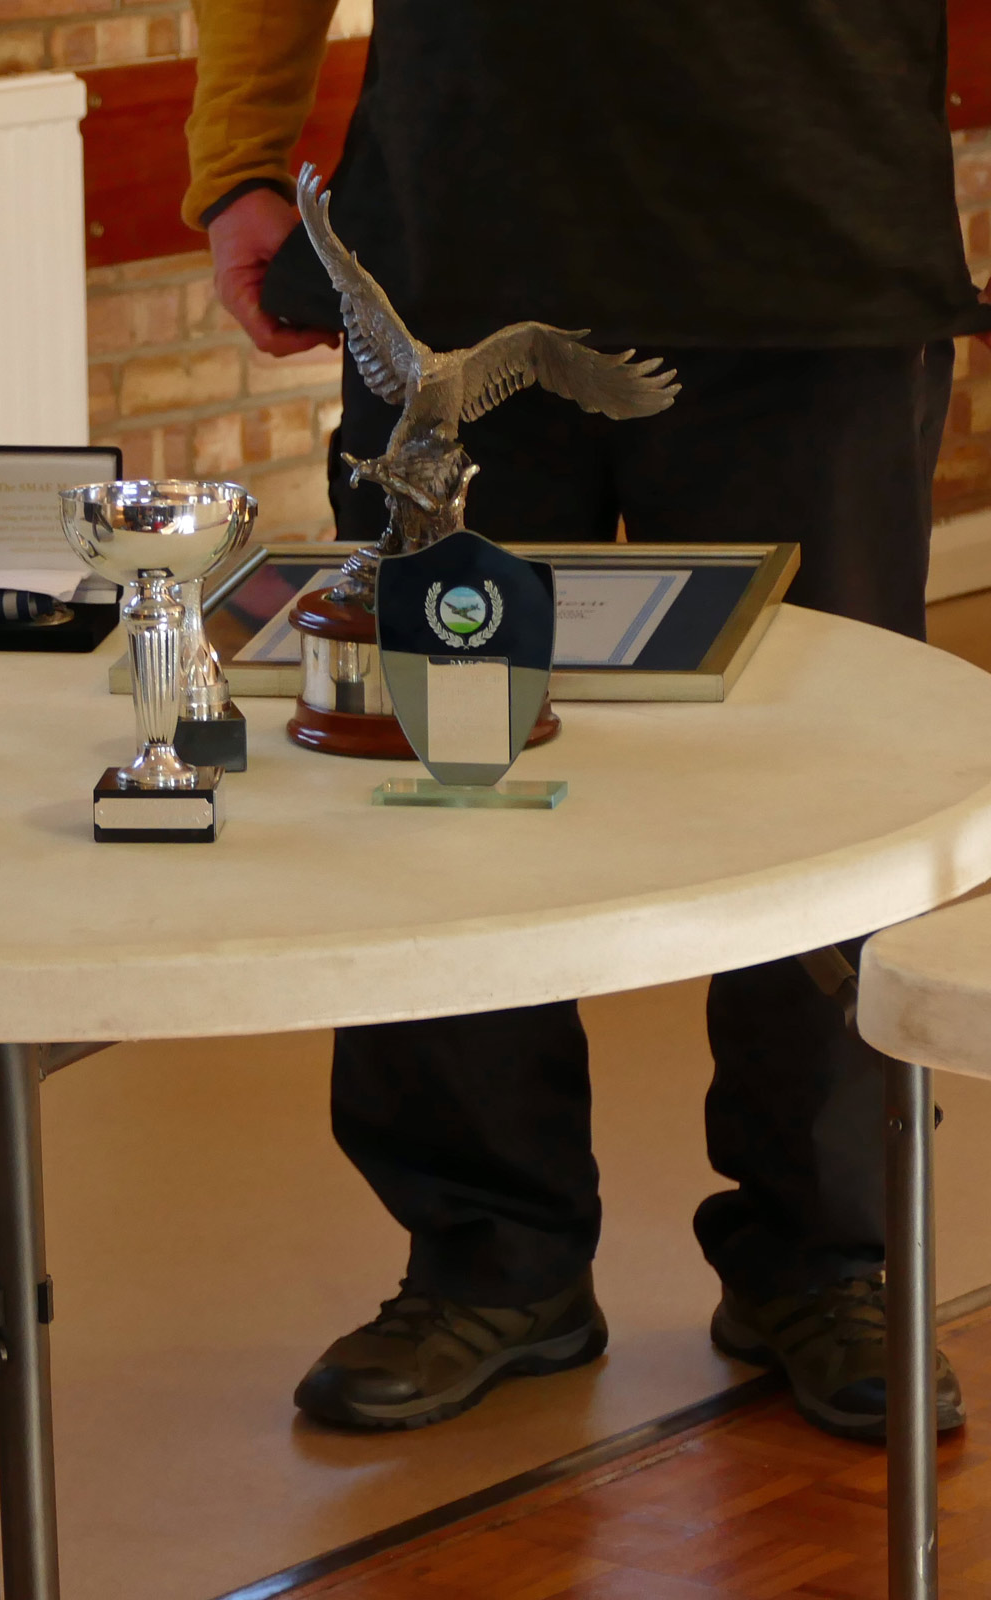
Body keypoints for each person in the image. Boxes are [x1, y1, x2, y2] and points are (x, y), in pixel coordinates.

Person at [186, 0, 991, 1439]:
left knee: (821, 788)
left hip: (812, 239)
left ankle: (829, 1257)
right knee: (429, 767)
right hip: (454, 241)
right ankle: (489, 1259)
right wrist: (237, 154)